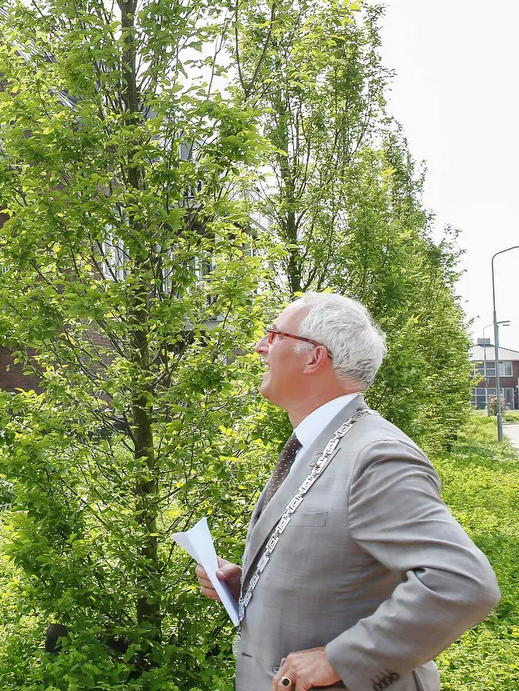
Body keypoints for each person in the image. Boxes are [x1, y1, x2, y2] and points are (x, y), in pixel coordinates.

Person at [198, 292, 499, 691]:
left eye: (274, 335)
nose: (260, 347)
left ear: (313, 357)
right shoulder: (321, 442)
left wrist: (340, 660)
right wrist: (249, 586)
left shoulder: (376, 455)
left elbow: (462, 583)